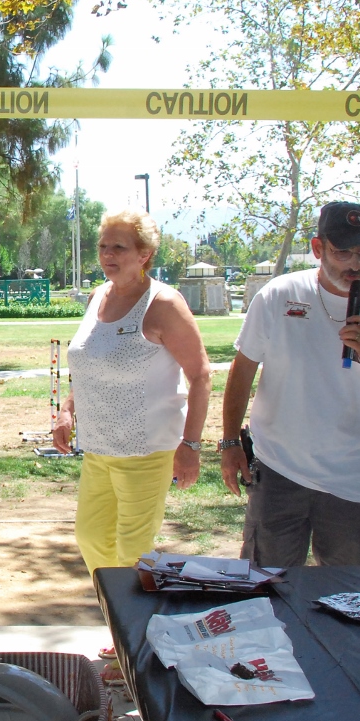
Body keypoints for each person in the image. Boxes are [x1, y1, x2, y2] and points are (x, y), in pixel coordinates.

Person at [220, 201, 360, 568]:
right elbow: (243, 370)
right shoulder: (279, 295)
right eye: (343, 252)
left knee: (349, 589)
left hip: (350, 478)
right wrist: (231, 442)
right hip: (278, 470)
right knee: (269, 584)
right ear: (318, 248)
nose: (354, 263)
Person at [54, 207, 212, 578]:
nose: (107, 255)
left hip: (147, 449)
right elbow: (89, 363)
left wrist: (190, 445)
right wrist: (67, 410)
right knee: (92, 539)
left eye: (119, 247)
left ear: (145, 254)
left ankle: (135, 616)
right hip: (98, 447)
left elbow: (201, 375)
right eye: (103, 246)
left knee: (132, 552)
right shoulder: (97, 297)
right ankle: (114, 612)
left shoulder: (164, 304)